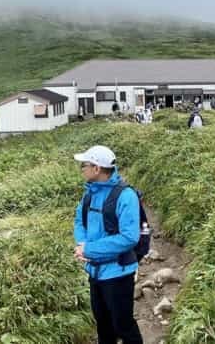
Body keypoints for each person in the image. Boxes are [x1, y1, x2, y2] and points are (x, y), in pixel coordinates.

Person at [73, 145, 143, 344]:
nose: (81, 169)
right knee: (103, 325)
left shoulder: (126, 196)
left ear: (96, 168)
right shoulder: (90, 193)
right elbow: (79, 220)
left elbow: (130, 237)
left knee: (123, 325)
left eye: (84, 165)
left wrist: (89, 249)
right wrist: (82, 243)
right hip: (95, 272)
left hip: (119, 274)